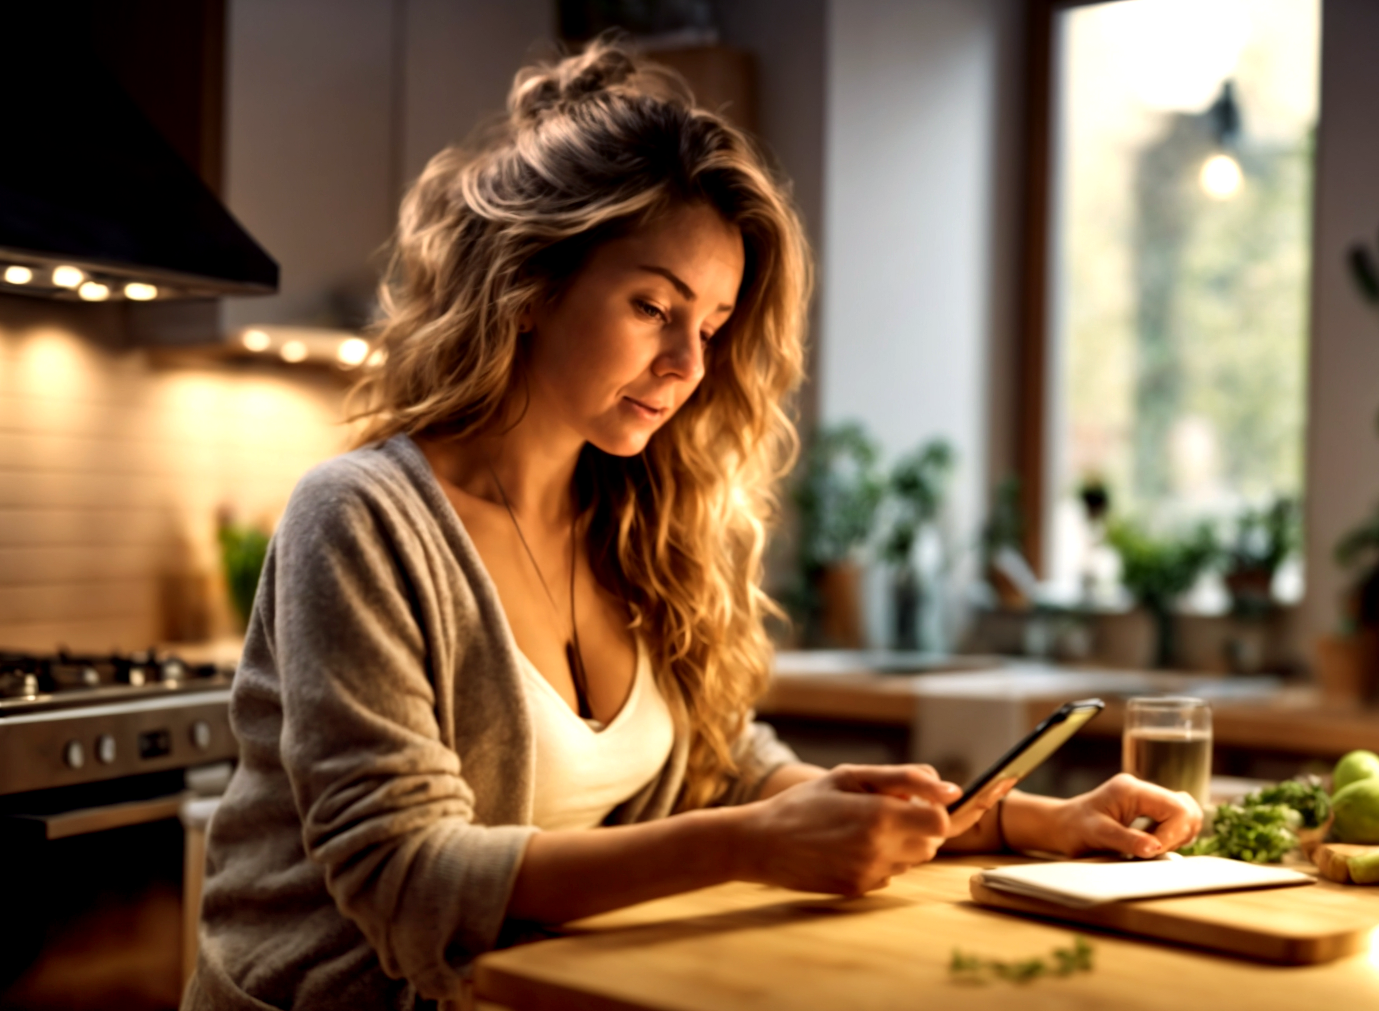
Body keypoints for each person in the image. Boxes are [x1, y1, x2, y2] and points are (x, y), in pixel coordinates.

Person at [185, 40, 1202, 1011]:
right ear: (531, 285)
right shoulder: (362, 519)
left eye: (711, 327)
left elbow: (729, 769)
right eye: (652, 307)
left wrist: (1020, 819)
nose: (688, 364)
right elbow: (407, 876)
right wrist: (751, 843)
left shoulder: (636, 520)